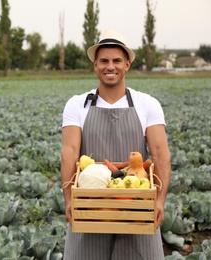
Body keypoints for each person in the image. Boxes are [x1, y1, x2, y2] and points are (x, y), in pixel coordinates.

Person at [60, 29, 171, 259]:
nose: (110, 66)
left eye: (117, 60)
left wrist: (159, 200)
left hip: (136, 208)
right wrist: (70, 199)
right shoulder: (77, 105)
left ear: (127, 64)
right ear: (95, 65)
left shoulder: (147, 104)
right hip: (90, 207)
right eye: (104, 61)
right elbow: (69, 153)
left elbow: (160, 154)